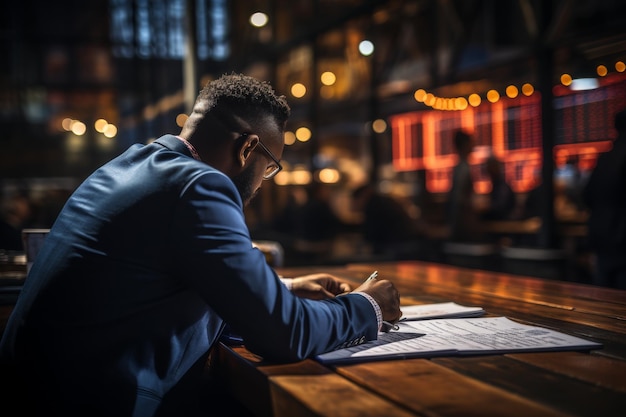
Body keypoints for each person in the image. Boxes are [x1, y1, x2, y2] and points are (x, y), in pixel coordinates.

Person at [0, 73, 401, 417]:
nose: (264, 183)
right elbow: (282, 334)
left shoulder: (128, 166)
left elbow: (161, 274)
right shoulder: (200, 186)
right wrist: (368, 307)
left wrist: (283, 288)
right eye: (271, 166)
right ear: (248, 149)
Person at [582, 108, 626, 289]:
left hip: (601, 235)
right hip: (622, 239)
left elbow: (587, 195)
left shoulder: (606, 157)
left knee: (604, 295)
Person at [350, 183, 421, 259]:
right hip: (406, 244)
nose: (352, 204)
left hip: (397, 247)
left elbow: (372, 233)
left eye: (354, 200)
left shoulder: (374, 205)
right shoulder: (382, 201)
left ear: (362, 197)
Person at [445, 130, 480, 242]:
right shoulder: (464, 169)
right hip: (463, 221)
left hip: (458, 220)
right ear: (465, 145)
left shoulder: (459, 167)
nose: (473, 146)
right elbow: (460, 199)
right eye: (471, 143)